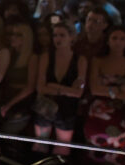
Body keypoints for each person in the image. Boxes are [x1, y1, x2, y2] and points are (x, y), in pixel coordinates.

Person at [33, 23, 87, 154]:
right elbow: (40, 88)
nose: (58, 39)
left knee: (62, 148)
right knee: (40, 145)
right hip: (45, 107)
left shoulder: (80, 60)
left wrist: (53, 86)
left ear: (71, 37)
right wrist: (66, 90)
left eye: (62, 35)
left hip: (67, 109)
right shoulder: (47, 56)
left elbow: (78, 92)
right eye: (55, 35)